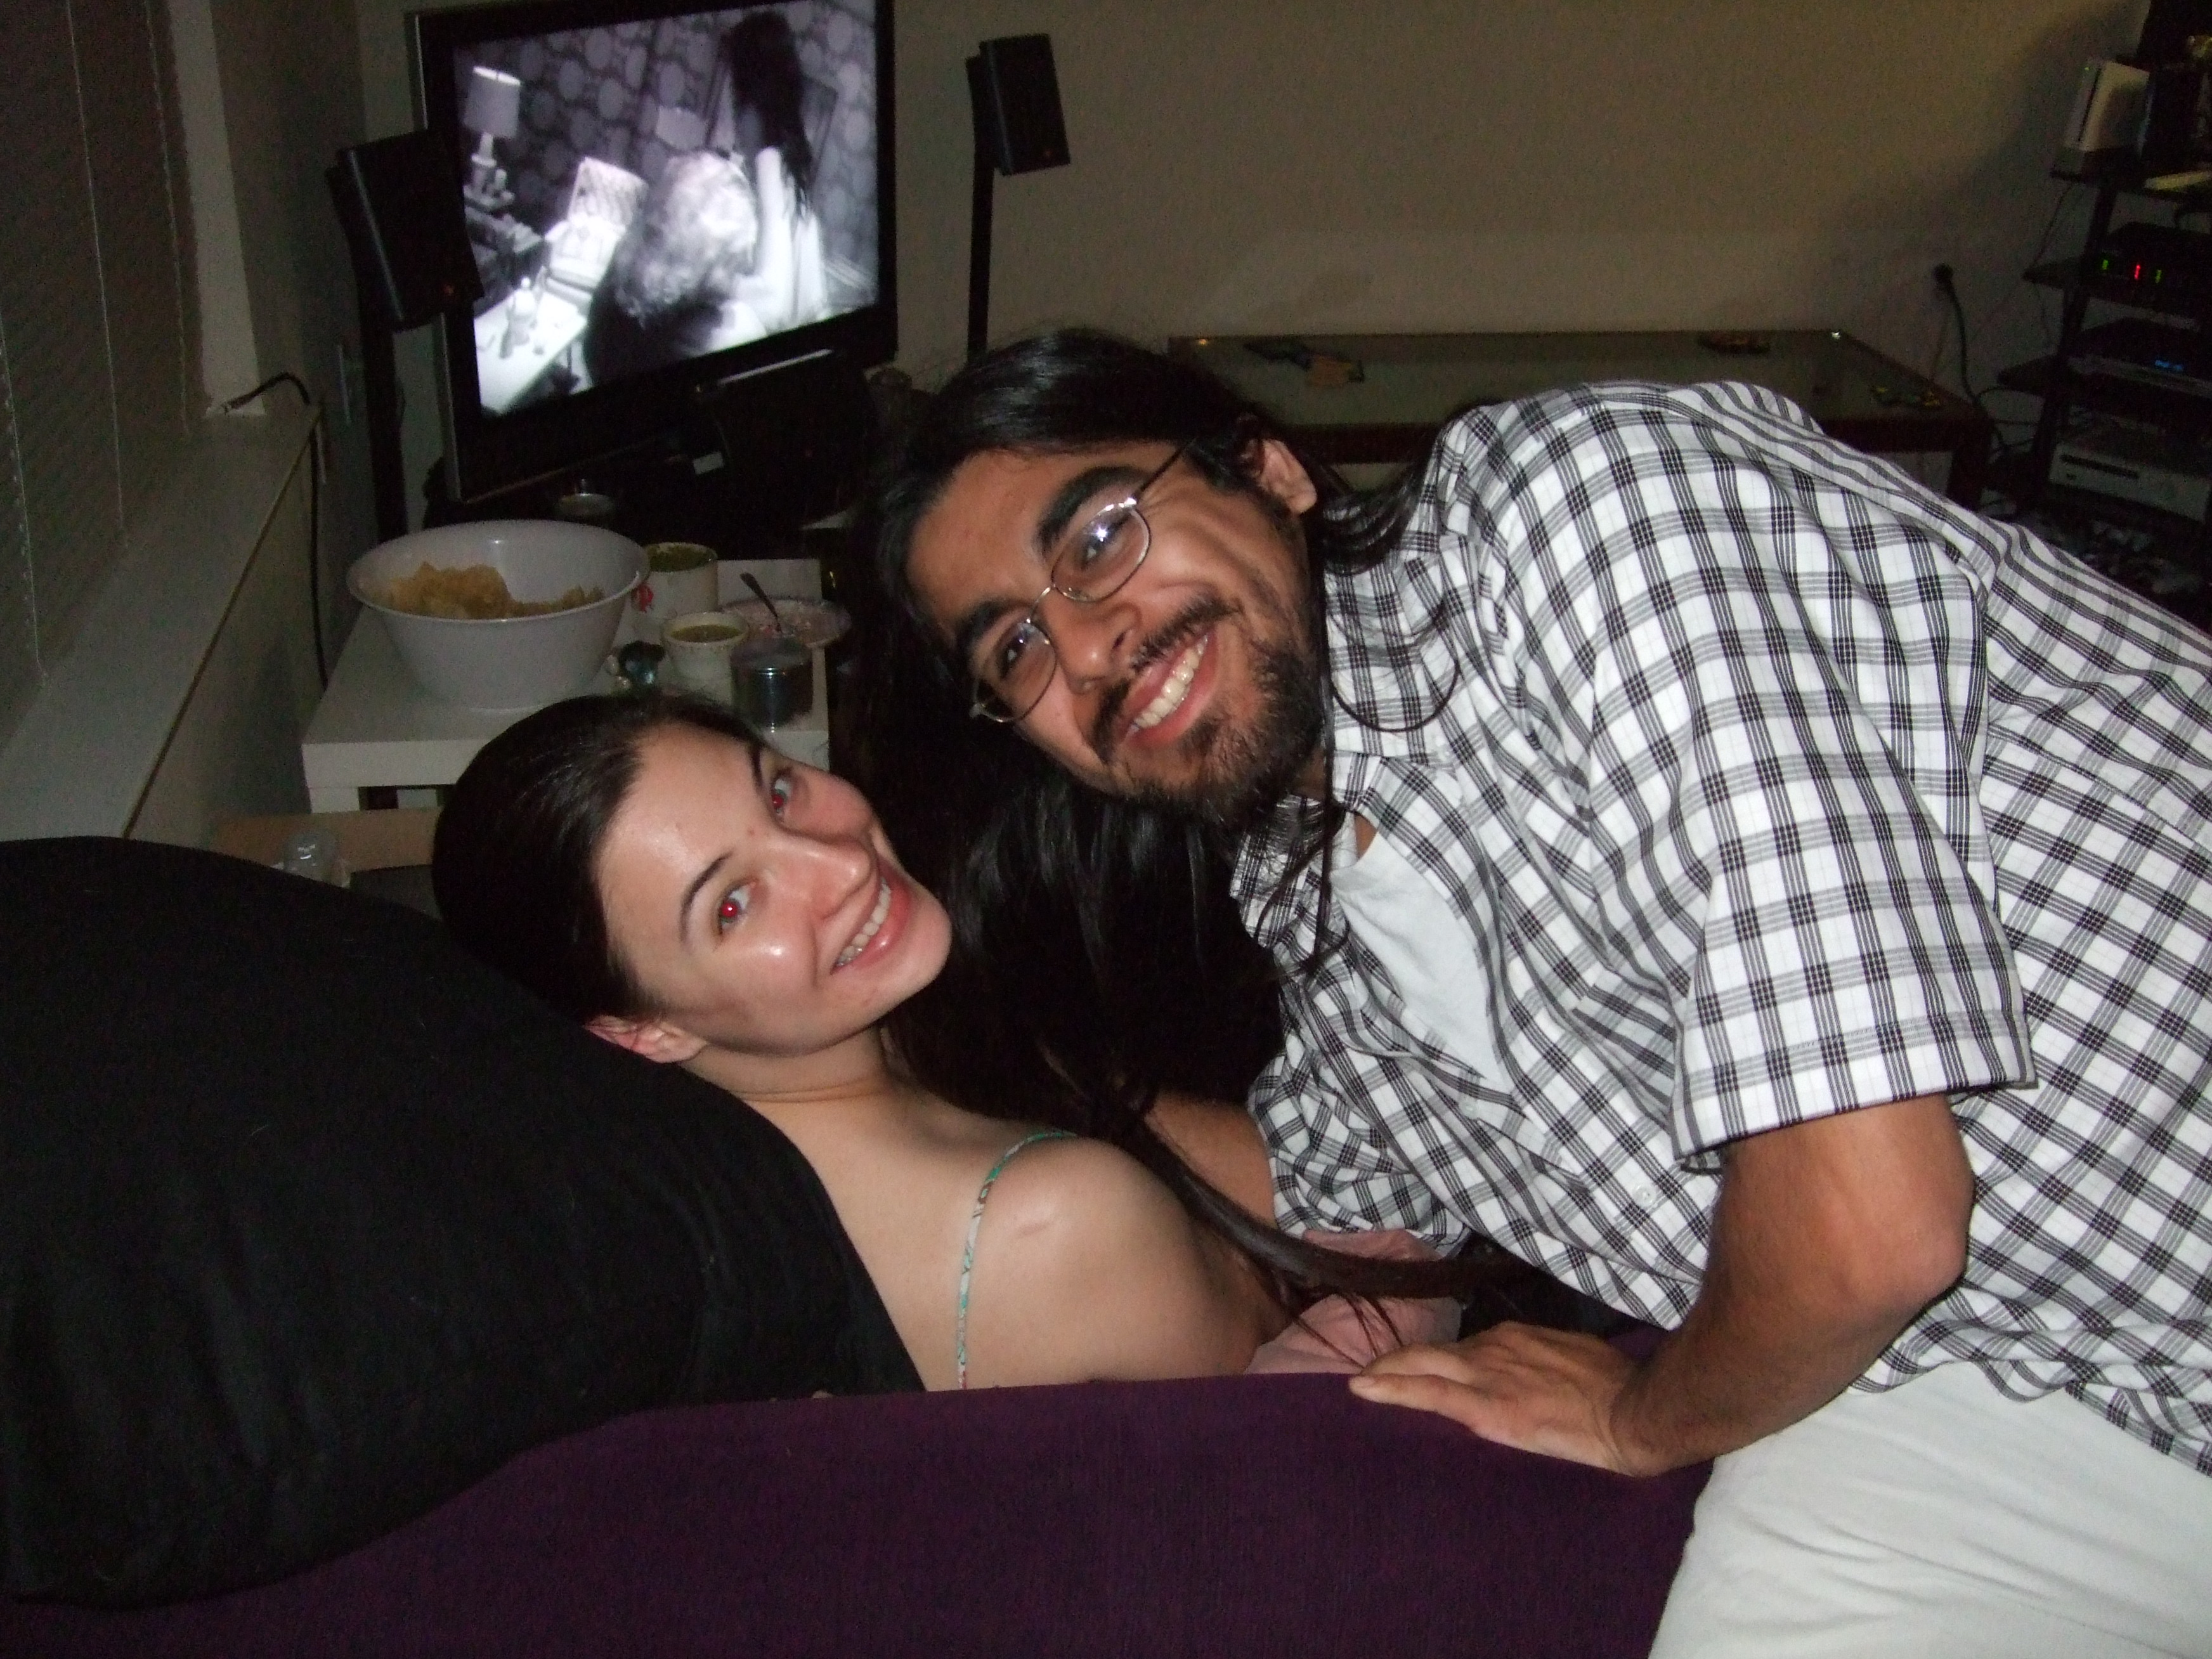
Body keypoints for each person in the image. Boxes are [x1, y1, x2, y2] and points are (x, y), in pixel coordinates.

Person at [857, 328, 2212, 1653]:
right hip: (2000, 1375)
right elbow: (1333, 1198)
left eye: (1099, 536)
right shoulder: (1298, 883)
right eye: (1014, 650)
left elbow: (1872, 1229)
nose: (1087, 648)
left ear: (1270, 472)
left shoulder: (1564, 513)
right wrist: (895, 1065)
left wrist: (1638, 1417)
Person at [431, 693, 1476, 1394]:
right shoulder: (1052, 1225)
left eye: (779, 790)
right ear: (637, 1028)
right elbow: (1323, 1351)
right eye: (735, 904)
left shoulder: (848, 1074)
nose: (838, 864)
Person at [580, 149, 765, 386]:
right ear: (700, 257)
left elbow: (592, 352)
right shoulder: (711, 339)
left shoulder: (626, 264)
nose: (745, 267)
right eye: (731, 260)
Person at [719, 11, 827, 335]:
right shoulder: (785, 164)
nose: (732, 111)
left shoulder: (770, 163)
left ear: (751, 98)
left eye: (735, 93)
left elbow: (772, 302)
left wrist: (709, 282)